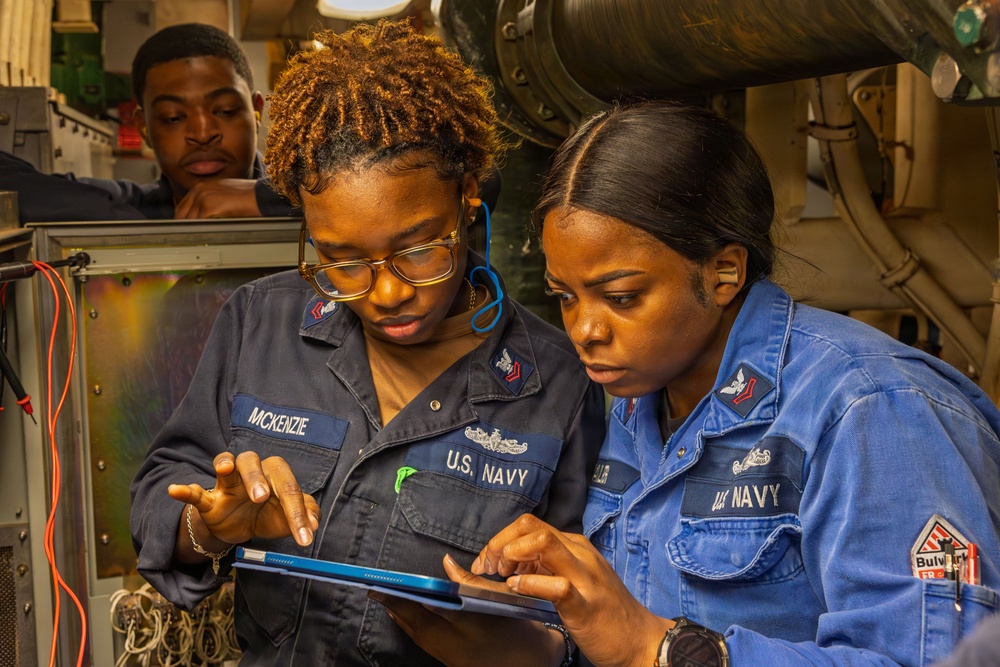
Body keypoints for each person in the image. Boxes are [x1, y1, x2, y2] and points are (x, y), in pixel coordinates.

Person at [382, 101, 1000, 667]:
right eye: (565, 297)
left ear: (723, 272)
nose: (585, 330)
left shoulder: (874, 410)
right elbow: (625, 629)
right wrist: (533, 648)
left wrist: (661, 649)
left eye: (622, 296)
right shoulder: (638, 402)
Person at [129, 18, 604, 666]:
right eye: (342, 259)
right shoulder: (259, 322)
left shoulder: (560, 386)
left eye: (419, 249)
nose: (385, 293)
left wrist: (527, 649)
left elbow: (594, 615)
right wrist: (206, 527)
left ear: (467, 198)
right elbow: (160, 493)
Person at [1, 23, 296, 221]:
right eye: (173, 117)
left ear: (257, 111)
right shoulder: (132, 208)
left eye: (225, 110)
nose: (202, 133)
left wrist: (267, 198)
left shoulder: (309, 194)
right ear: (143, 127)